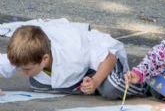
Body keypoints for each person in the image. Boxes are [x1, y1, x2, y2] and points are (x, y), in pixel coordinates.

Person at [0, 21, 146, 99]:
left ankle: (145, 84)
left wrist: (95, 81)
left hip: (103, 63)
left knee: (111, 89)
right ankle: (83, 85)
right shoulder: (27, 52)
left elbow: (110, 57)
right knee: (38, 85)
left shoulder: (74, 50)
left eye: (27, 69)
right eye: (20, 68)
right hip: (73, 73)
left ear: (44, 59)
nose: (23, 73)